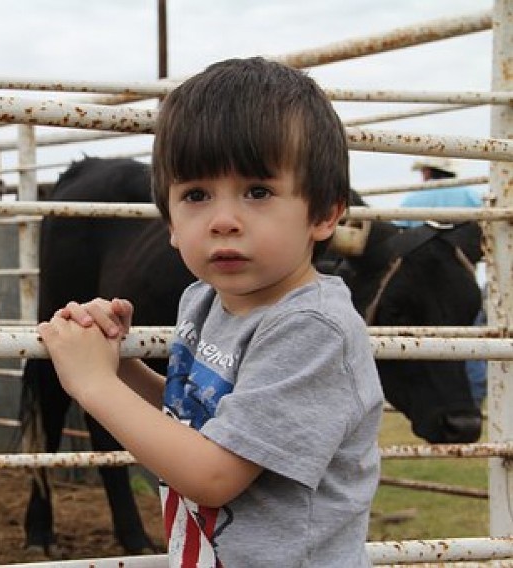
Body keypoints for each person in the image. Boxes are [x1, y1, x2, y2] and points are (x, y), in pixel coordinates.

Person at [38, 57, 383, 567]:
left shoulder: (312, 328)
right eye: (196, 195)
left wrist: (95, 385)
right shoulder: (202, 299)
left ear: (325, 212)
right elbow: (196, 416)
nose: (223, 220)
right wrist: (122, 366)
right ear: (171, 223)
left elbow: (213, 475)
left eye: (258, 191)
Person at [399, 157, 487, 406]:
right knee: (470, 341)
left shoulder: (411, 201)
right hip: (461, 281)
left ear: (427, 172)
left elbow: (398, 241)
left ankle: (429, 399)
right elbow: (487, 232)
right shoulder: (470, 196)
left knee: (420, 343)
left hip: (420, 288)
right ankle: (473, 401)